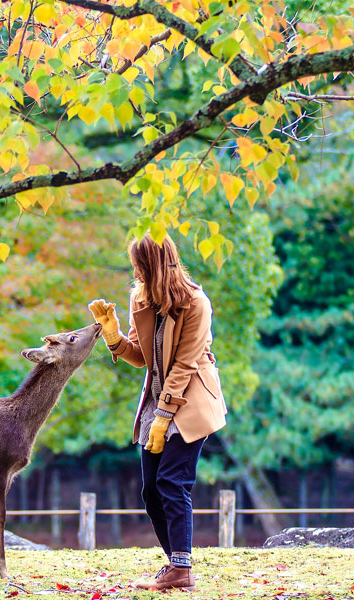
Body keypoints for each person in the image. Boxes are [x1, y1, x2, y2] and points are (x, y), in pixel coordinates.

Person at [88, 233, 227, 592]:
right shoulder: (141, 297)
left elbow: (183, 366)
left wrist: (165, 417)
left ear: (155, 265)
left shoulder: (196, 303)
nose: (135, 273)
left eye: (140, 267)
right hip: (158, 400)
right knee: (151, 489)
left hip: (190, 401)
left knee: (172, 481)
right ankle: (175, 566)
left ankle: (181, 568)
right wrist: (113, 336)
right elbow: (142, 357)